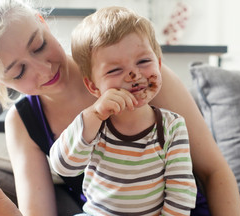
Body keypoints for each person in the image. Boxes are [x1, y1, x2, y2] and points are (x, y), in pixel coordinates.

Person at [0, 0, 240, 215]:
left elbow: (214, 171)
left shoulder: (138, 73)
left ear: (43, 23)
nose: (43, 70)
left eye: (39, 45)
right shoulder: (23, 122)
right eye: (18, 72)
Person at [49, 6, 196, 216]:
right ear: (93, 87)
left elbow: (180, 190)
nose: (134, 74)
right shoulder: (93, 125)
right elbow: (62, 167)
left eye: (144, 61)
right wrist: (95, 115)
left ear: (159, 63)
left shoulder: (172, 126)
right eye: (114, 70)